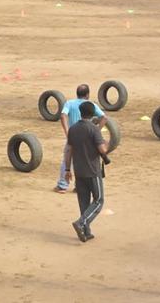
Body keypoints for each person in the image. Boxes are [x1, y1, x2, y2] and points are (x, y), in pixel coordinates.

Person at [64, 101, 109, 242]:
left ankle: (86, 232)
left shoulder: (73, 129)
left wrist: (67, 169)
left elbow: (69, 150)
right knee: (99, 200)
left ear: (81, 112)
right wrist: (107, 145)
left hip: (79, 170)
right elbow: (102, 150)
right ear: (92, 114)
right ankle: (81, 223)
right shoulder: (94, 129)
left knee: (84, 202)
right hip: (92, 171)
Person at [56, 85, 106, 193]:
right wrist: (97, 129)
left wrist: (67, 131)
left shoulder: (69, 103)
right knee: (83, 161)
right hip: (88, 137)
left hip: (73, 135)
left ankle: (62, 185)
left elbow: (63, 115)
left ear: (77, 93)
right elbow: (104, 117)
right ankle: (79, 186)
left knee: (67, 159)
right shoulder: (90, 105)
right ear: (87, 94)